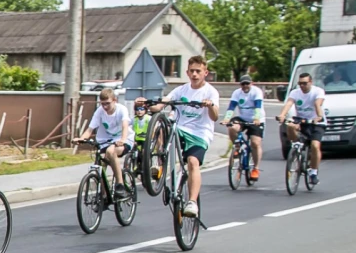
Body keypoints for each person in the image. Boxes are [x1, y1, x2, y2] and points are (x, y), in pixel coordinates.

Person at [137, 55, 219, 218]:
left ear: (205, 73)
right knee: (161, 126)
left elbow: (215, 116)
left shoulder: (211, 91)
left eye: (198, 71)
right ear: (187, 73)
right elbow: (161, 105)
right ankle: (158, 163)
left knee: (192, 162)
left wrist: (209, 105)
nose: (194, 74)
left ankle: (192, 203)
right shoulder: (181, 90)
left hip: (199, 134)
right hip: (180, 129)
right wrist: (146, 103)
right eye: (192, 71)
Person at [78, 88, 131, 200]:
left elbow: (125, 126)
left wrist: (122, 139)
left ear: (114, 100)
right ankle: (103, 195)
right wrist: (80, 139)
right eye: (103, 104)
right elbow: (90, 129)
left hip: (123, 139)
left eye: (107, 103)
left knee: (111, 152)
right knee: (100, 163)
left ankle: (120, 185)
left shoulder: (122, 110)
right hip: (105, 141)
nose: (105, 107)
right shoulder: (99, 111)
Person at [276, 72, 326, 186]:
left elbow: (318, 104)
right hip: (302, 121)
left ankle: (313, 173)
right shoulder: (295, 92)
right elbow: (289, 104)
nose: (302, 86)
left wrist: (319, 116)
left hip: (316, 123)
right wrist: (282, 115)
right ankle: (296, 145)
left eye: (304, 83)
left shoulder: (318, 91)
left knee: (314, 146)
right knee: (290, 125)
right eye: (300, 84)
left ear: (310, 82)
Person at [225, 75, 265, 181]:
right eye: (243, 84)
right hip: (242, 118)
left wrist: (256, 118)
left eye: (247, 83)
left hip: (256, 119)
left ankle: (256, 168)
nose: (245, 86)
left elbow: (258, 105)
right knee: (232, 127)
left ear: (251, 83)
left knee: (255, 143)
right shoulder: (237, 93)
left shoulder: (256, 92)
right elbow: (231, 107)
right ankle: (237, 147)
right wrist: (226, 118)